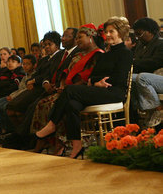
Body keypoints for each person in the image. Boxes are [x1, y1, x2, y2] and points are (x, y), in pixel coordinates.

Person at [36, 16, 133, 158]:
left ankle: (52, 124)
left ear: (121, 32)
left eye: (111, 31)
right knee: (72, 104)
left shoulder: (125, 53)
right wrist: (96, 82)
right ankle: (77, 145)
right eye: (106, 32)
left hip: (115, 92)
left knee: (69, 89)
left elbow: (119, 78)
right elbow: (93, 75)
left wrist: (98, 82)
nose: (107, 35)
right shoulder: (107, 53)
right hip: (99, 89)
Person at [31, 24, 104, 154]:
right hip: (67, 89)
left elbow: (87, 76)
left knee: (52, 104)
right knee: (42, 103)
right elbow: (66, 71)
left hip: (80, 90)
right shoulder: (79, 54)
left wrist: (68, 88)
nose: (77, 40)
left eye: (80, 37)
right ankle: (47, 142)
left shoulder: (97, 54)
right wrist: (63, 85)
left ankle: (61, 143)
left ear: (90, 37)